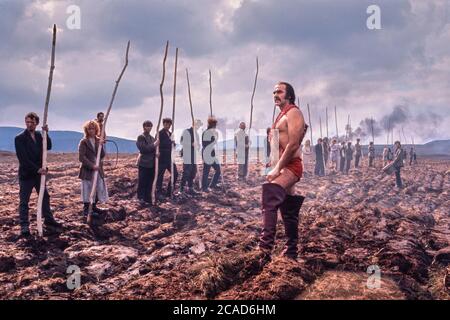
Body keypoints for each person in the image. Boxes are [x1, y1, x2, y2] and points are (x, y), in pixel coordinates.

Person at [259, 81, 307, 263]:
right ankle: (291, 251)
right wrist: (271, 166)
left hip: (291, 165)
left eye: (279, 91)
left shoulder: (294, 112)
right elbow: (275, 146)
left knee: (270, 195)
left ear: (289, 95)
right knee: (289, 208)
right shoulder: (281, 115)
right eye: (273, 92)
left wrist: (278, 168)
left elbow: (294, 144)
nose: (275, 94)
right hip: (280, 164)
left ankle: (264, 250)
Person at [14, 112, 62, 237]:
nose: (29, 124)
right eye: (27, 122)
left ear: (37, 123)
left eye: (32, 122)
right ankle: (24, 226)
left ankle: (49, 220)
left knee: (45, 197)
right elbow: (23, 159)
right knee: (24, 201)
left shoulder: (39, 136)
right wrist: (37, 169)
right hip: (27, 174)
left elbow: (48, 146)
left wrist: (47, 133)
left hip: (39, 175)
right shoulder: (19, 138)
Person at [78, 120, 109, 219]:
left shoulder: (97, 140)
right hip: (88, 171)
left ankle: (94, 207)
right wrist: (92, 166)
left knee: (97, 187)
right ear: (86, 130)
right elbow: (82, 157)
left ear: (96, 129)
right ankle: (87, 210)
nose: (92, 130)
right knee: (88, 189)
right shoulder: (84, 142)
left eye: (93, 128)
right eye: (90, 129)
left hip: (98, 170)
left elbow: (102, 155)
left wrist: (101, 145)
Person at [136, 121, 159, 204]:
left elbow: (154, 150)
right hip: (144, 163)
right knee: (142, 181)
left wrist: (157, 153)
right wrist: (154, 145)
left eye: (150, 126)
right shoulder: (141, 137)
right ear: (144, 127)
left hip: (151, 163)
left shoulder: (152, 138)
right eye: (147, 126)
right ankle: (140, 198)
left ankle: (147, 198)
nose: (149, 127)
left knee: (150, 181)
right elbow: (143, 149)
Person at [156, 118, 178, 198]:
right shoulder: (159, 133)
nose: (167, 126)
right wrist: (170, 142)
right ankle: (158, 192)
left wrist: (173, 144)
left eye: (169, 124)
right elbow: (158, 145)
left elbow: (173, 145)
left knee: (175, 174)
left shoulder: (171, 133)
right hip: (162, 158)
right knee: (160, 175)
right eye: (166, 124)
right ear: (163, 124)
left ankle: (169, 191)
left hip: (170, 158)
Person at [180, 120, 201, 194]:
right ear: (193, 124)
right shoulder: (187, 131)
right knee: (186, 172)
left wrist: (198, 146)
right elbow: (182, 142)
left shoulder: (197, 134)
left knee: (193, 172)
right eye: (197, 125)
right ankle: (181, 189)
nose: (198, 126)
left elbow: (198, 144)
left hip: (194, 155)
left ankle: (190, 188)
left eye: (199, 125)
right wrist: (190, 144)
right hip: (187, 154)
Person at [201, 117, 221, 192]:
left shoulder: (212, 132)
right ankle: (204, 187)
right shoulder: (206, 133)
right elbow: (206, 145)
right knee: (206, 171)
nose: (215, 127)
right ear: (211, 125)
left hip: (212, 154)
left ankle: (212, 184)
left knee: (218, 169)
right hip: (207, 154)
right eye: (214, 125)